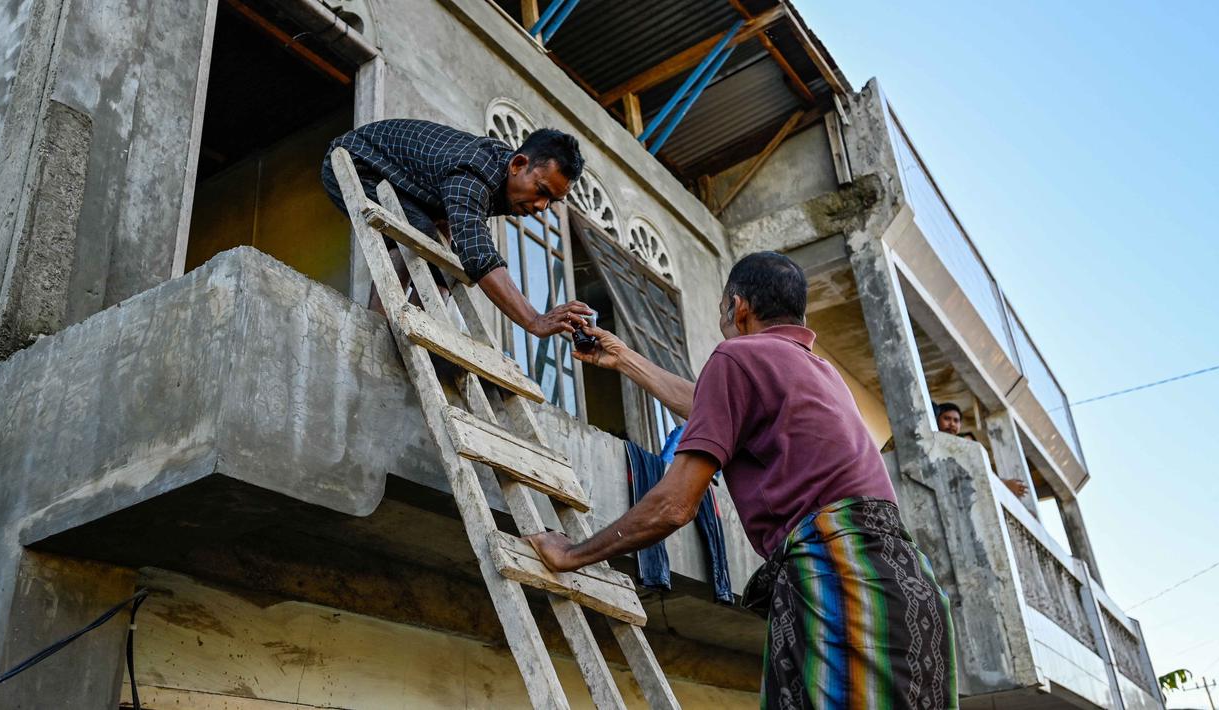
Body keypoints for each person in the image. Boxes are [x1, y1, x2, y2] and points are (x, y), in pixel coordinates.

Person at [526, 252, 958, 709]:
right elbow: (713, 410)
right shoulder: (821, 372)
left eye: (722, 313)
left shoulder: (736, 355)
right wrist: (626, 359)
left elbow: (675, 505)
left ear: (739, 307)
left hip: (844, 580)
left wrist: (572, 554)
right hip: (912, 589)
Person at [322, 119, 591, 338]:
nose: (542, 206)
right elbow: (478, 255)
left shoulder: (500, 180)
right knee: (419, 235)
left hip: (408, 188)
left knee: (442, 259)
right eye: (541, 191)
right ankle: (379, 328)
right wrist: (534, 320)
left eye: (552, 201)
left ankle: (419, 328)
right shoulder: (475, 171)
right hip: (356, 162)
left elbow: (463, 230)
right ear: (518, 164)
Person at [937, 402, 1030, 498]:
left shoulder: (966, 440)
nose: (952, 424)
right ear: (937, 419)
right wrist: (1005, 484)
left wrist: (1004, 483)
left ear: (960, 425)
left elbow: (980, 470)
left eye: (956, 421)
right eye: (947, 418)